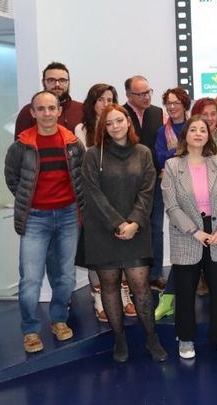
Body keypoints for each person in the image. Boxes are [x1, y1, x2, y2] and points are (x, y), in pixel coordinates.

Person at [80, 104, 167, 362]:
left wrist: (134, 223)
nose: (115, 126)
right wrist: (118, 224)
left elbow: (147, 191)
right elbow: (92, 195)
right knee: (109, 286)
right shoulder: (93, 155)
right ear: (103, 128)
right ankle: (119, 340)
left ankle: (152, 339)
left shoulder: (142, 153)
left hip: (136, 230)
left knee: (141, 286)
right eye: (109, 123)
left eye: (119, 120)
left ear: (128, 122)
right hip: (103, 231)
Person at [5, 91, 85, 354]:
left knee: (65, 275)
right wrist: (32, 202)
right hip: (35, 218)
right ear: (33, 112)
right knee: (30, 279)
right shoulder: (21, 146)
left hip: (68, 216)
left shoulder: (73, 143)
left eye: (52, 108)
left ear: (59, 111)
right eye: (41, 109)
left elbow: (80, 177)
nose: (47, 113)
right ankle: (30, 330)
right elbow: (13, 179)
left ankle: (59, 320)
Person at [162, 116, 217, 359]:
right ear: (186, 135)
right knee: (185, 290)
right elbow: (171, 206)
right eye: (192, 129)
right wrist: (195, 231)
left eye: (202, 130)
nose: (197, 133)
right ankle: (185, 337)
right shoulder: (173, 166)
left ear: (208, 136)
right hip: (187, 233)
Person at [74, 83, 136, 323]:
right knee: (98, 252)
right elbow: (84, 167)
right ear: (92, 103)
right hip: (95, 201)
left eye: (110, 98)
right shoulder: (82, 129)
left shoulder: (121, 130)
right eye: (101, 99)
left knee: (122, 249)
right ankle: (100, 298)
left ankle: (124, 294)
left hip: (121, 199)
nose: (105, 103)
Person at [123, 75, 167, 291]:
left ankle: (155, 274)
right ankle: (134, 277)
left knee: (156, 227)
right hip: (129, 183)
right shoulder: (120, 114)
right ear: (129, 95)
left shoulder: (158, 113)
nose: (147, 97)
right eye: (140, 94)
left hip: (156, 180)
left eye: (148, 92)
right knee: (133, 228)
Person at [153, 88, 192, 320]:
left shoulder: (194, 125)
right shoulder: (162, 131)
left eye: (176, 102)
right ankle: (168, 297)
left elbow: (200, 153)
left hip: (197, 191)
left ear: (184, 104)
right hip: (173, 191)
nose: (172, 107)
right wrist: (180, 152)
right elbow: (159, 158)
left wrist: (173, 154)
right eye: (168, 103)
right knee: (181, 247)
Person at [14, 61, 84, 137]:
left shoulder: (82, 110)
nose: (57, 84)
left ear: (68, 82)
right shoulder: (28, 112)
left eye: (62, 80)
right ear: (43, 82)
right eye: (51, 80)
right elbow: (19, 147)